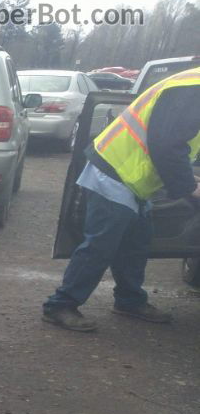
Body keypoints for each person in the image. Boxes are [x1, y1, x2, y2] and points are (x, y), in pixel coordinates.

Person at [42, 67, 200, 331]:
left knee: (137, 241)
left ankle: (129, 300)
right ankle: (60, 305)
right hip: (116, 170)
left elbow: (180, 142)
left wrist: (189, 177)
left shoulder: (192, 85)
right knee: (101, 245)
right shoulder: (192, 90)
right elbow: (167, 144)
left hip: (133, 176)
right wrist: (188, 186)